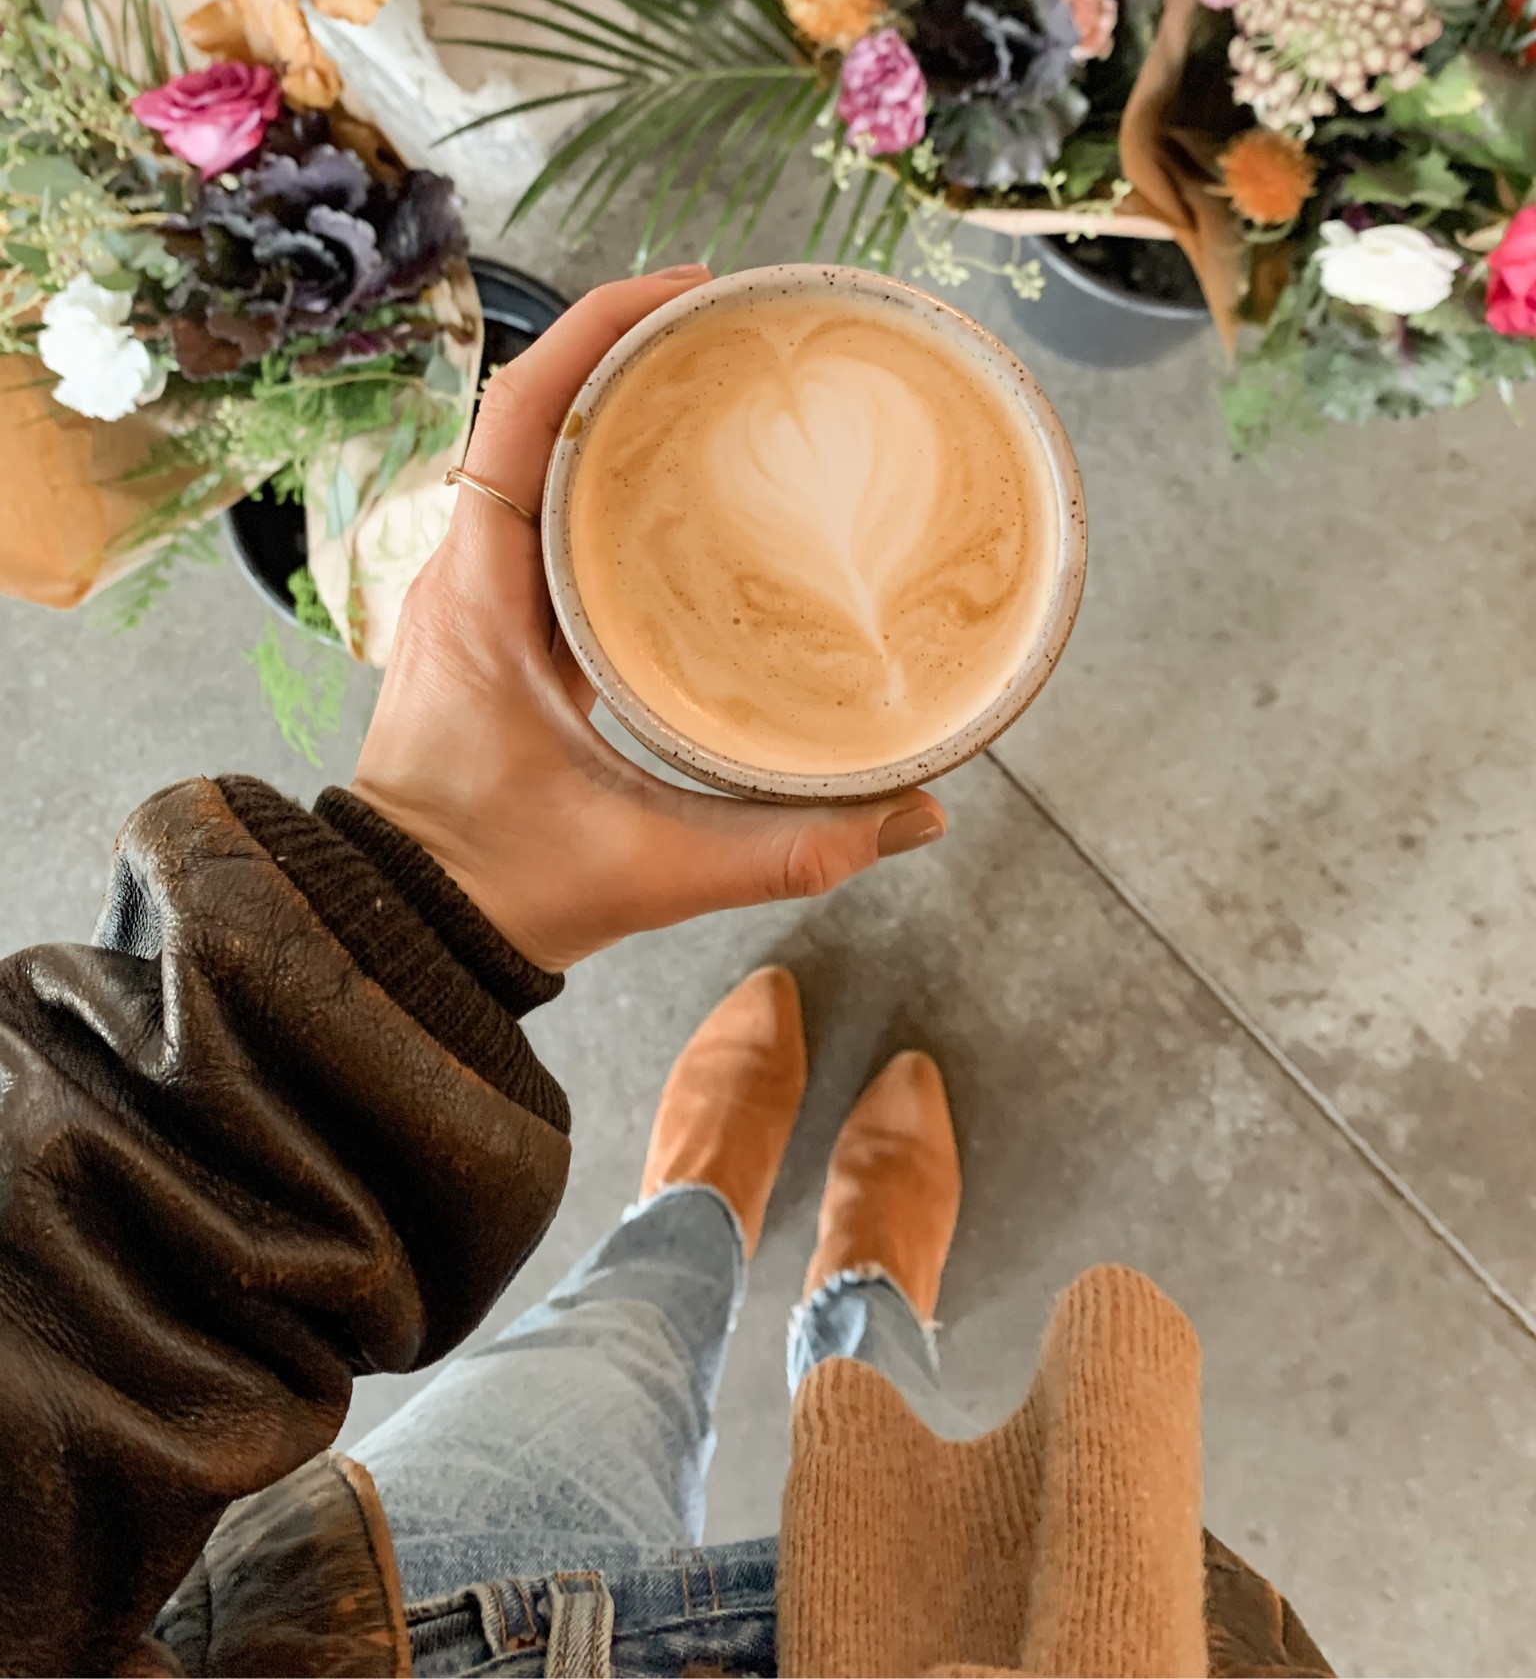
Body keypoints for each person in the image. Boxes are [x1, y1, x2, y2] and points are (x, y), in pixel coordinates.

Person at [0, 267, 1329, 1679]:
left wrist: (421, 901)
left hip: (364, 1631)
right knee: (917, 1446)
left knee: (620, 1339)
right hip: (962, 1628)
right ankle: (867, 1296)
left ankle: (694, 1213)